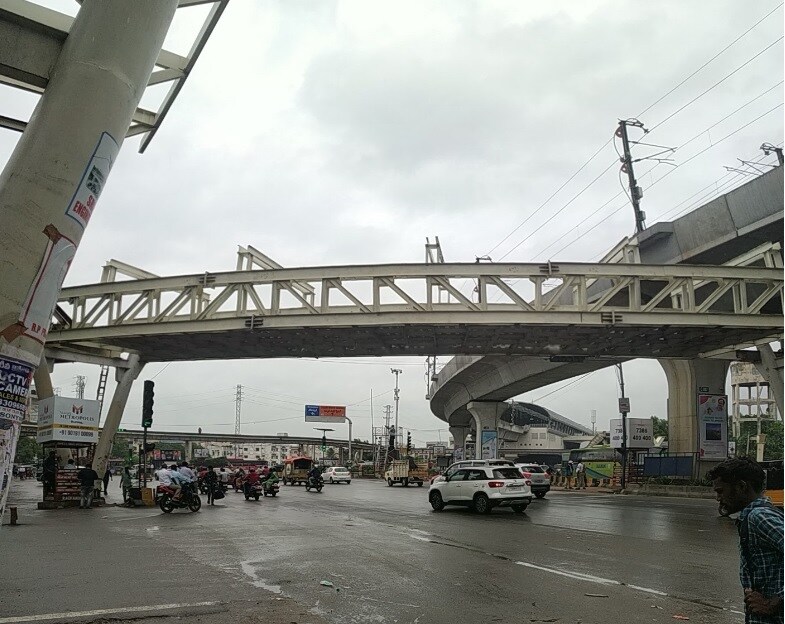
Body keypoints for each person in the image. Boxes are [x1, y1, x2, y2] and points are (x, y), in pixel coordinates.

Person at [708, 458, 783, 623]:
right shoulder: (753, 516)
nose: (718, 498)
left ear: (741, 487)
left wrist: (776, 602)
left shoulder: (759, 517)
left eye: (721, 491)